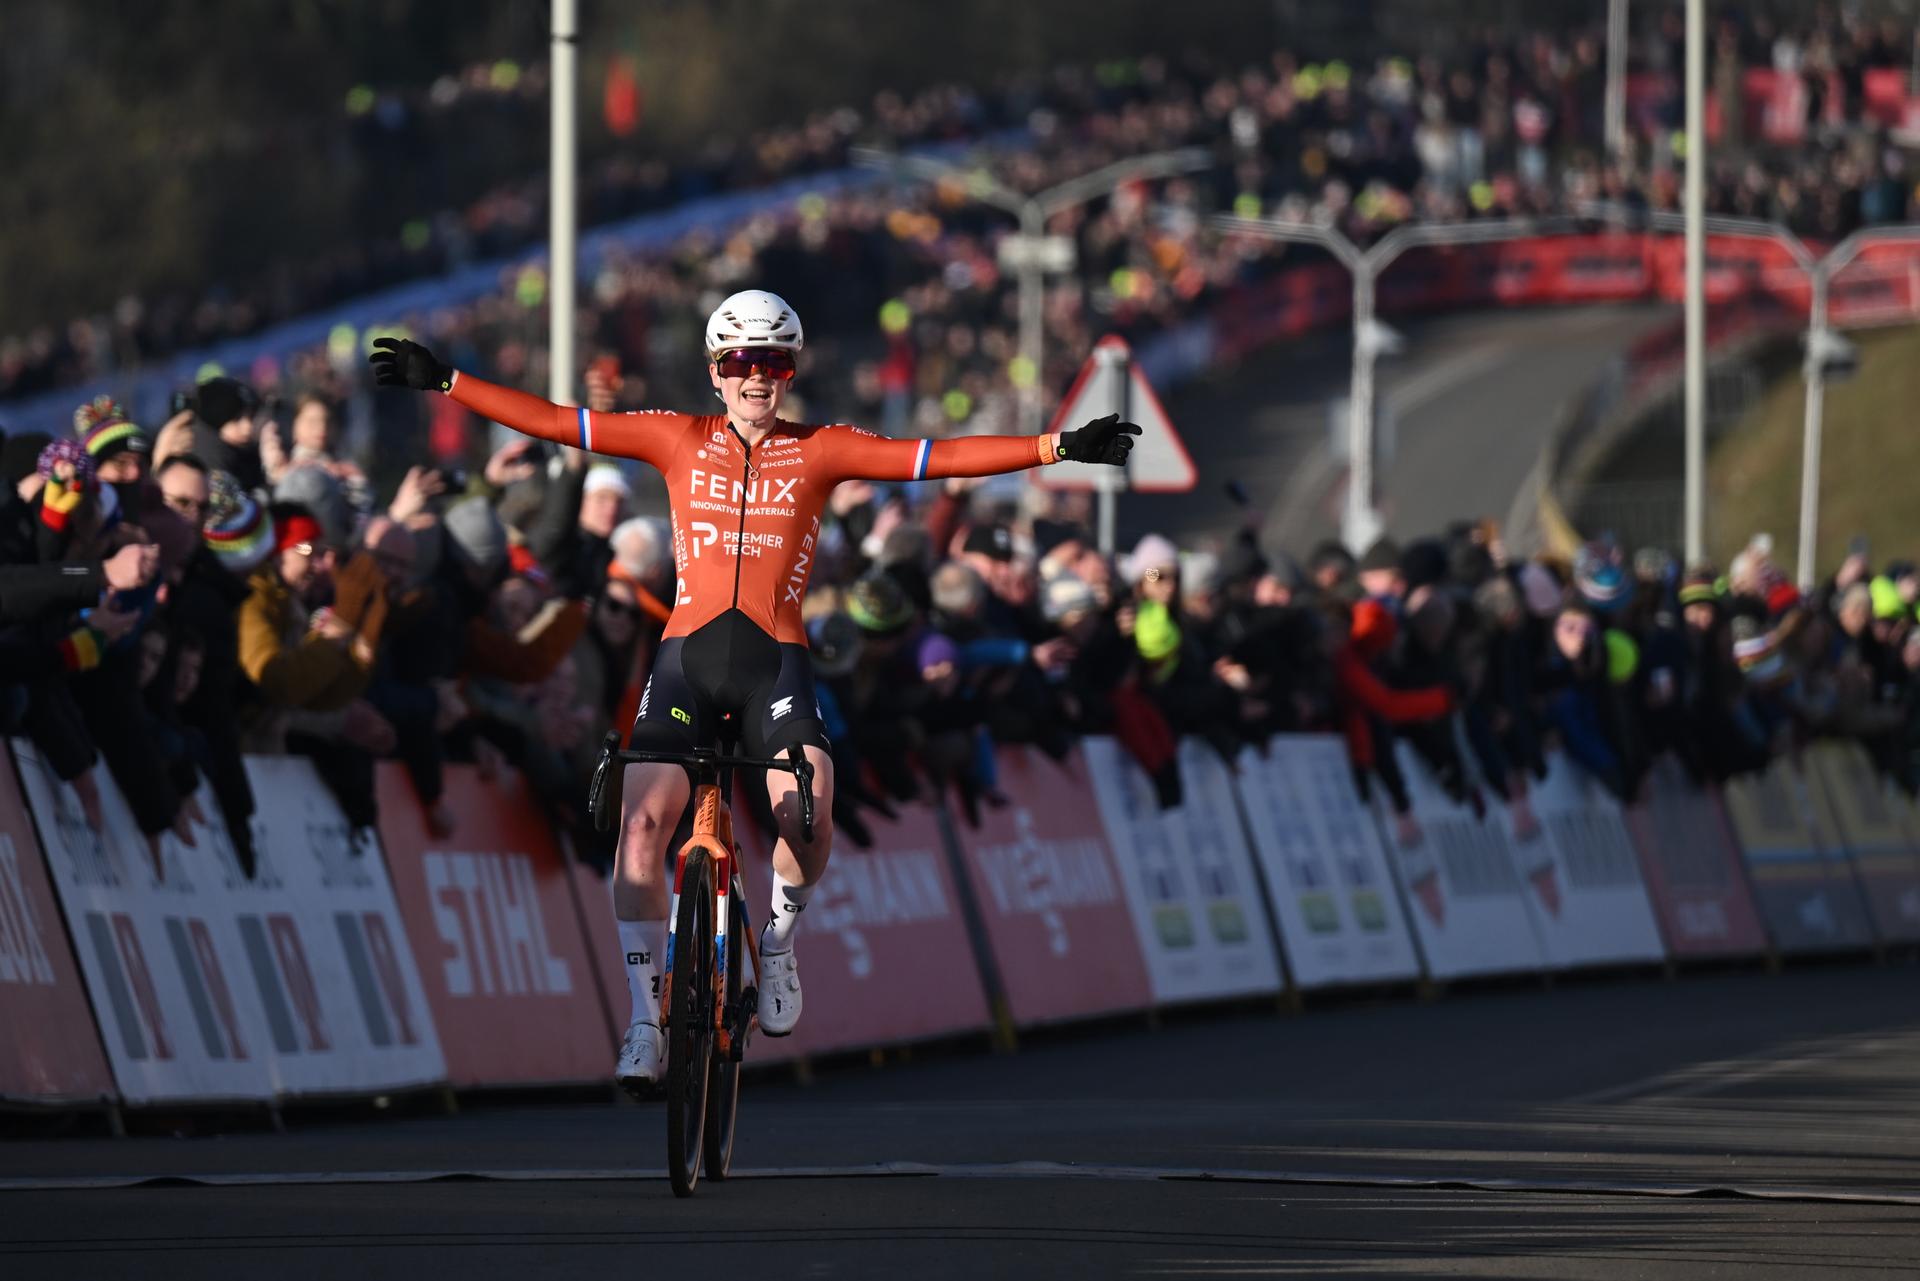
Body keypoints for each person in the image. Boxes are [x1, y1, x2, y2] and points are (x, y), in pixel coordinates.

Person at [372, 288, 1137, 1091]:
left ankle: (776, 942)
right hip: (686, 661)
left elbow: (937, 456)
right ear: (716, 372)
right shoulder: (677, 438)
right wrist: (448, 381)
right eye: (741, 361)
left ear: (791, 371)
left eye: (773, 362)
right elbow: (559, 422)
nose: (757, 377)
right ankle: (643, 1018)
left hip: (776, 662)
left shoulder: (822, 448)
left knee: (807, 808)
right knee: (641, 828)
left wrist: (1057, 446)